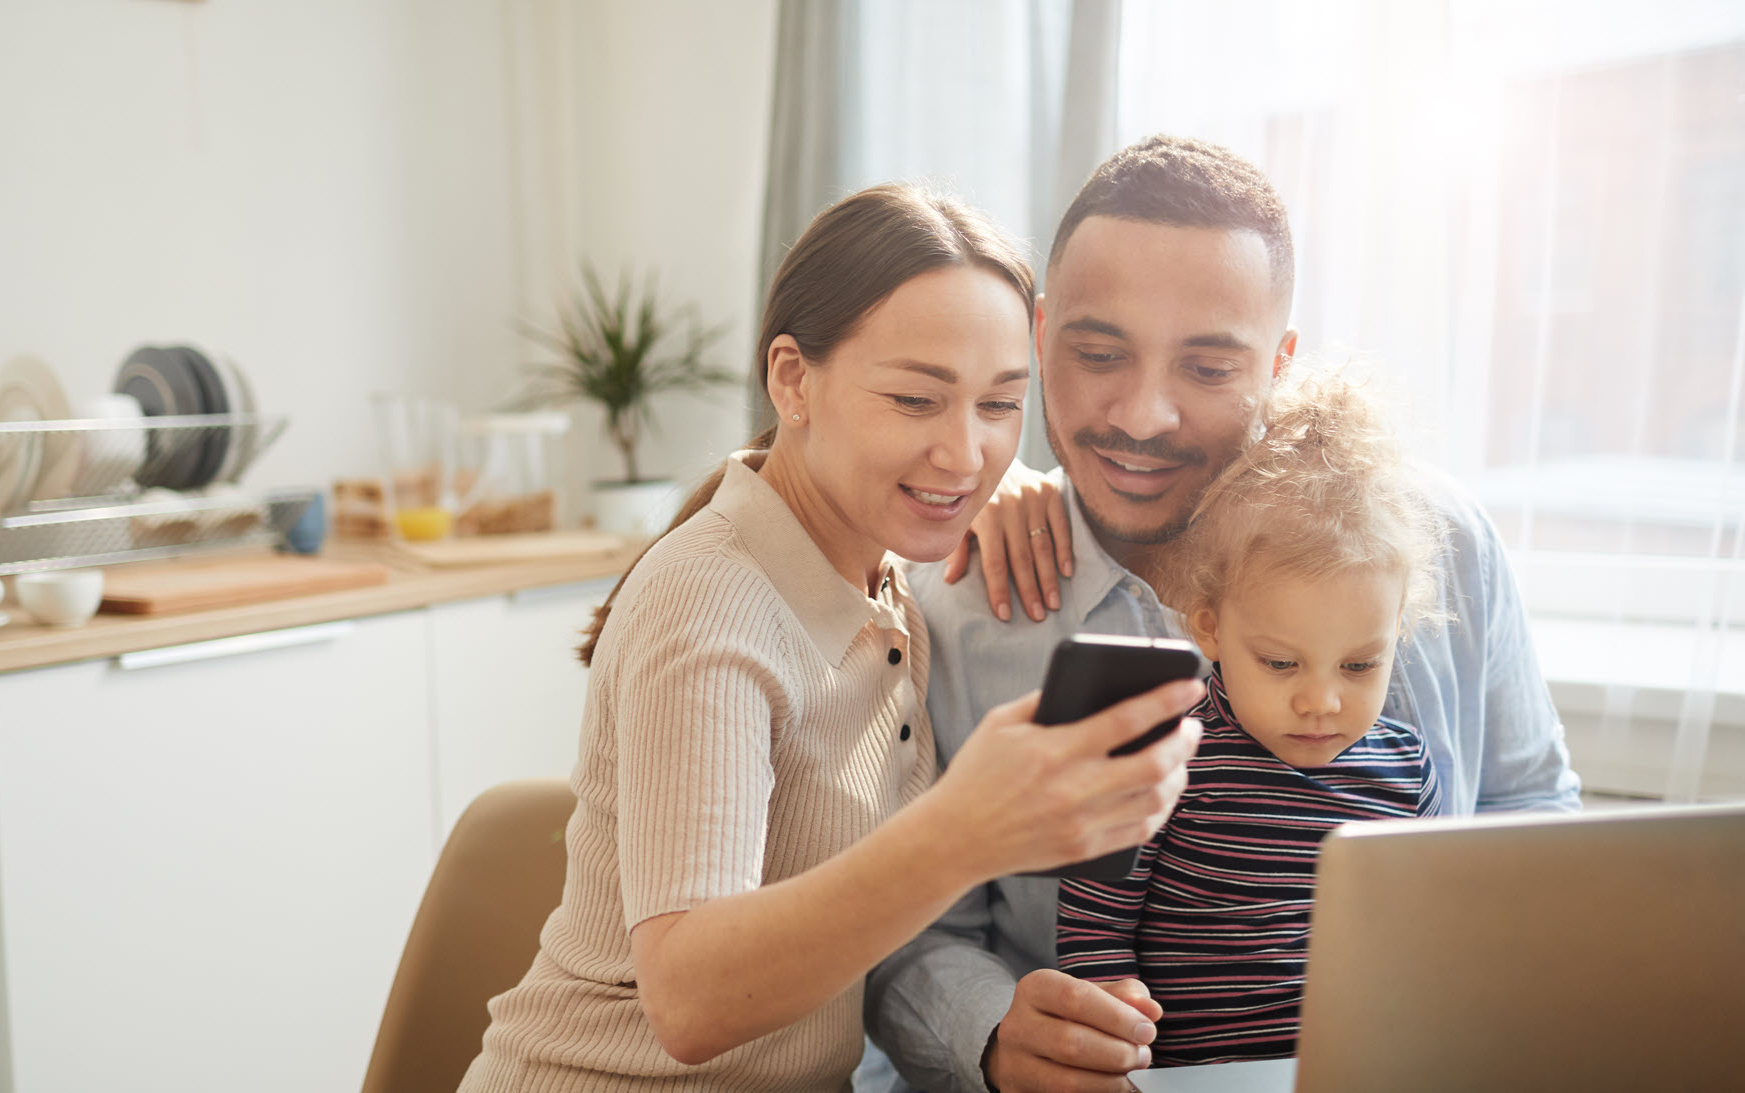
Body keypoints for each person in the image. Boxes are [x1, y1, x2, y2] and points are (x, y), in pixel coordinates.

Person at [863, 137, 1581, 1093]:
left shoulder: (1437, 540)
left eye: (1207, 369)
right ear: (1038, 340)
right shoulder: (948, 601)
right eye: (1098, 352)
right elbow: (908, 934)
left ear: (1280, 364)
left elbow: (1530, 810)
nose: (1145, 414)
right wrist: (991, 1035)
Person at [456, 182, 1206, 1093]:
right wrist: (965, 830)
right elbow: (689, 999)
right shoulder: (711, 598)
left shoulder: (879, 578)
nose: (967, 454)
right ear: (792, 379)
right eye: (915, 399)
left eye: (1001, 405)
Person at [1056, 369, 1446, 1067]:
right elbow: (1093, 927)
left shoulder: (1408, 772)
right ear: (1209, 627)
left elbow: (1425, 938)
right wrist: (1114, 1008)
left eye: (1359, 666)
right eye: (1281, 663)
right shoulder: (1160, 754)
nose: (1322, 701)